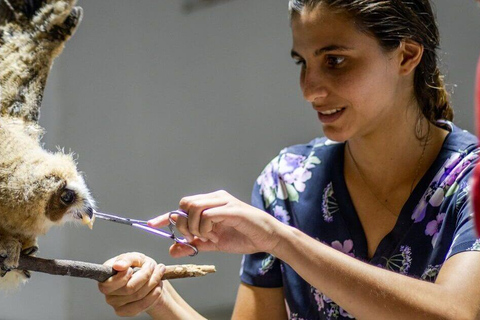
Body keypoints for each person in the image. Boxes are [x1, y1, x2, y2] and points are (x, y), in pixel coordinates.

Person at [98, 1, 480, 319]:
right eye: (302, 62)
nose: (309, 90)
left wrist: (279, 239)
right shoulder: (287, 183)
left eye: (334, 60)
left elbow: (457, 313)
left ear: (406, 56)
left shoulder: (471, 179)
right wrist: (158, 297)